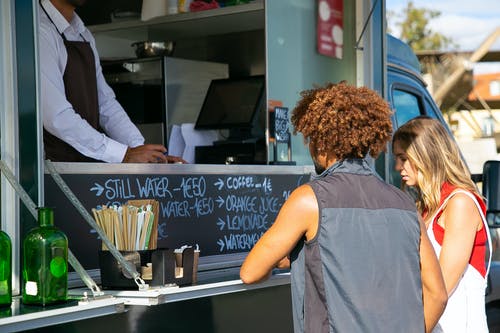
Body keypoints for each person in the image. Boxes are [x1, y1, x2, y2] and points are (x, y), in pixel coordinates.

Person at [240, 82, 447, 333]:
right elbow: (437, 294)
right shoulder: (405, 205)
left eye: (310, 138)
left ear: (321, 140)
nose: (309, 146)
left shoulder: (308, 200)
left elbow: (250, 272)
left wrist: (285, 261)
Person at [39, 0, 185, 163]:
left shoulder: (83, 33)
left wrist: (143, 151)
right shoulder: (39, 31)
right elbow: (56, 116)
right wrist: (123, 154)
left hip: (83, 168)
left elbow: (105, 103)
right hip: (51, 171)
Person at [393, 116, 492, 333]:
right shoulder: (426, 207)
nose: (397, 166)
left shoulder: (460, 203)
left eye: (403, 158)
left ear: (426, 155)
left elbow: (441, 288)